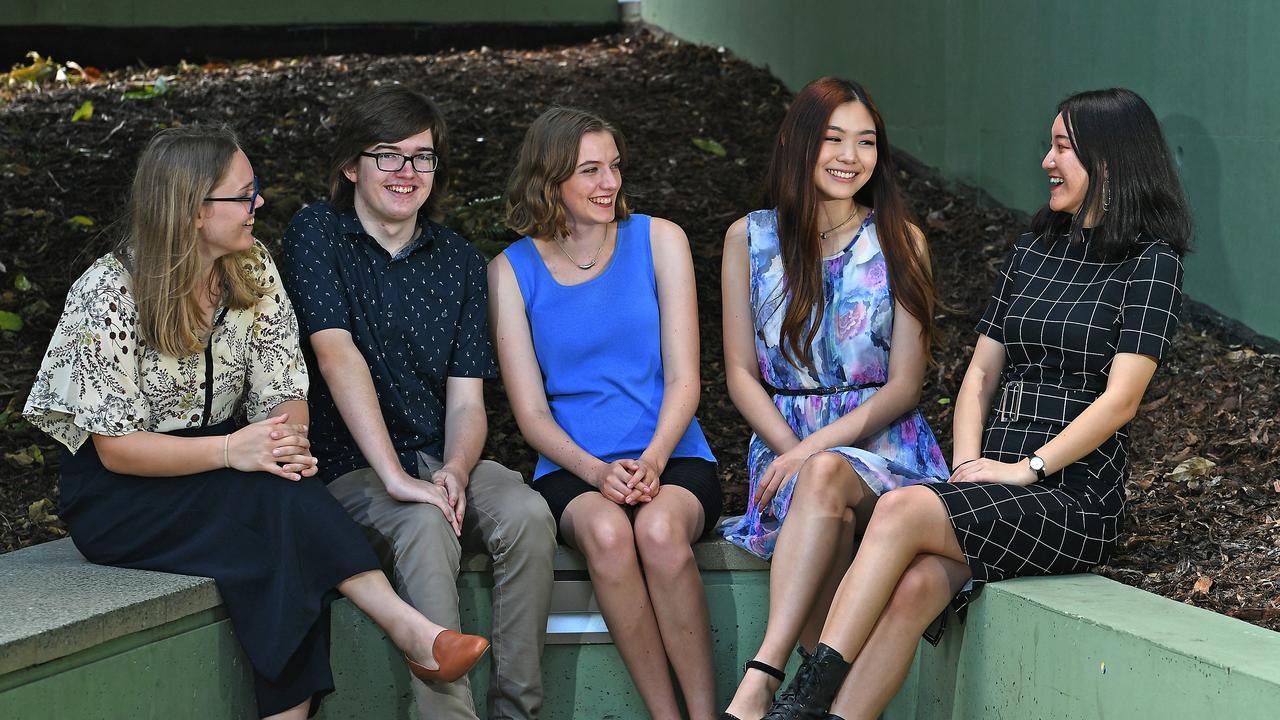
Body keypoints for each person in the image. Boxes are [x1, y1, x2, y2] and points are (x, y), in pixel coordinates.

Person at [22, 126, 489, 720]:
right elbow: (115, 450)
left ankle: (330, 687)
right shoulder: (109, 292)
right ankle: (410, 633)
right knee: (280, 508)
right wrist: (233, 452)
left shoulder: (252, 267)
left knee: (281, 518)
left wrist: (283, 441)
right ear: (193, 210)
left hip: (230, 473)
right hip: (122, 495)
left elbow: (285, 387)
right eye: (244, 195)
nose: (259, 205)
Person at [761, 87, 1191, 720]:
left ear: (1111, 160)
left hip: (1070, 498)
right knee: (914, 589)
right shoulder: (1033, 252)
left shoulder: (1153, 263)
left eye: (1063, 147)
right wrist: (967, 463)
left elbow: (1121, 399)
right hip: (991, 483)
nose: (1047, 160)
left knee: (903, 511)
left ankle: (803, 698)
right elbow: (980, 376)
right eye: (1050, 145)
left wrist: (1027, 469)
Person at [279, 86, 557, 720]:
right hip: (347, 467)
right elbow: (335, 355)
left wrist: (455, 470)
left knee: (527, 515)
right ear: (350, 165)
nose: (407, 173)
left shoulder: (458, 260)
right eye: (387, 155)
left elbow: (467, 401)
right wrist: (398, 479)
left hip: (433, 455)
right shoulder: (317, 233)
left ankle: (519, 710)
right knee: (424, 522)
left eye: (422, 157)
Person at [717, 77, 949, 720]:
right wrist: (790, 452)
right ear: (796, 142)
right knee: (821, 500)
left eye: (867, 142)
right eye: (834, 138)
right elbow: (740, 371)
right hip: (785, 438)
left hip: (885, 446)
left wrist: (811, 453)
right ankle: (810, 697)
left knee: (822, 476)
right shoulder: (749, 238)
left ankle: (762, 673)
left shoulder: (902, 242)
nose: (851, 155)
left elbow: (905, 384)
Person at [488, 106, 720, 720]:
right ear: (549, 179)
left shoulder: (660, 239)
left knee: (661, 531)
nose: (608, 183)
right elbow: (531, 414)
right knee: (611, 534)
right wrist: (597, 473)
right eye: (589, 170)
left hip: (672, 453)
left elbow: (685, 379)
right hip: (573, 468)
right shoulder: (511, 271)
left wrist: (651, 459)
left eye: (613, 166)